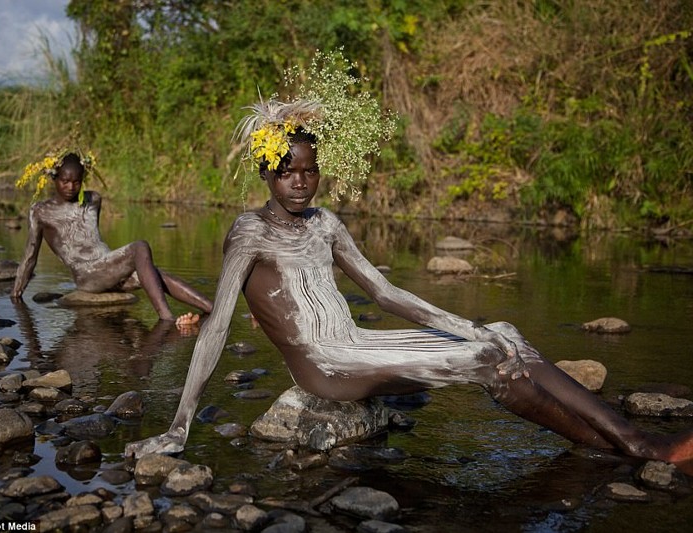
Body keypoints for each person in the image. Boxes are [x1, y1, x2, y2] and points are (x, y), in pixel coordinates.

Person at [125, 60, 693, 464]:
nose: (299, 183)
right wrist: (178, 428)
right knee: (487, 361)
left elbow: (384, 294)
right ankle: (638, 451)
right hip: (327, 365)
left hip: (358, 344)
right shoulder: (249, 232)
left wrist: (465, 323)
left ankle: (627, 441)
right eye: (286, 172)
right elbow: (218, 327)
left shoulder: (326, 222)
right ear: (266, 174)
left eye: (308, 171)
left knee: (503, 335)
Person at [11, 151, 213, 325]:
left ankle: (212, 308)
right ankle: (166, 318)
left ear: (83, 179)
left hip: (107, 268)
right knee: (139, 247)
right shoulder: (41, 211)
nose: (71, 187)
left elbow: (92, 239)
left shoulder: (93, 200)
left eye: (76, 182)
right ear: (54, 178)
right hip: (87, 275)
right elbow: (30, 255)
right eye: (65, 181)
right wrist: (17, 292)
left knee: (154, 273)